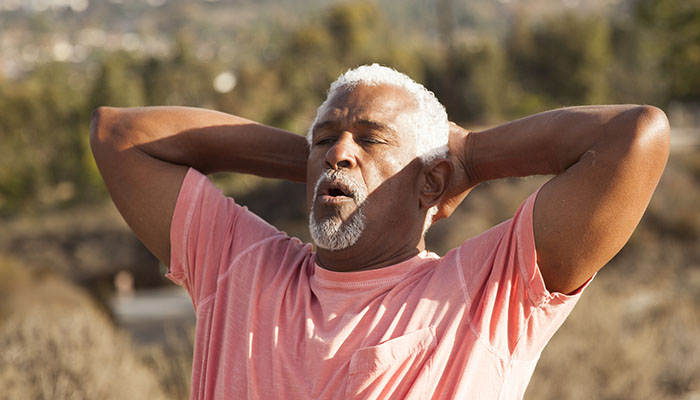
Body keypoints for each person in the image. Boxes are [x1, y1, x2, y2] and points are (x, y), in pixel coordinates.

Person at [90, 64, 669, 399]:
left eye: (372, 139)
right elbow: (122, 136)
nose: (340, 155)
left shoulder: (486, 295)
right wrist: (329, 157)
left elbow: (633, 137)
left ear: (430, 181)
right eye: (324, 140)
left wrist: (466, 156)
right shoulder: (239, 267)